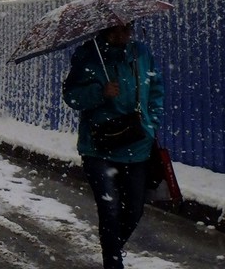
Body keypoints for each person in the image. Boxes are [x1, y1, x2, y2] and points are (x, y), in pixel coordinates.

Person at [62, 22, 164, 269]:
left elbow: (156, 90)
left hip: (137, 145)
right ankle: (113, 263)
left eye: (127, 29)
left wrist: (151, 122)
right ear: (103, 31)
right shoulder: (88, 55)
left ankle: (112, 248)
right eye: (115, 30)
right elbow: (71, 96)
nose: (122, 35)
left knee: (134, 211)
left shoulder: (141, 53)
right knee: (109, 209)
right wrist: (100, 91)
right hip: (99, 147)